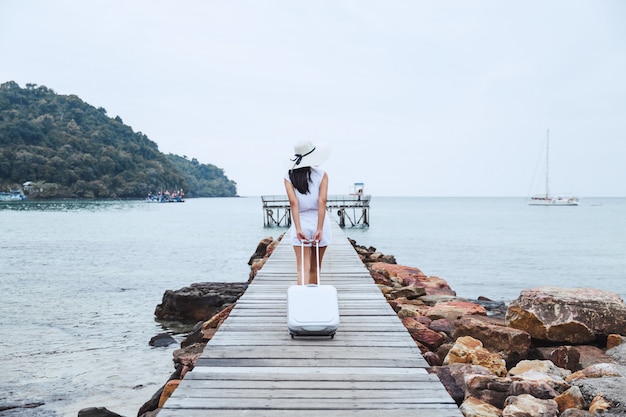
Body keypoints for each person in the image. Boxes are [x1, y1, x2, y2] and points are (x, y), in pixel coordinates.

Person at [284, 140, 332, 285]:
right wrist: (319, 228)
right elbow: (322, 201)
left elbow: (294, 203)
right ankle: (313, 302)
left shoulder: (288, 176)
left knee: (301, 269)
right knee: (316, 268)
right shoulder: (322, 174)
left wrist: (298, 228)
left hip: (301, 221)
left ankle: (300, 302)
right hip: (321, 222)